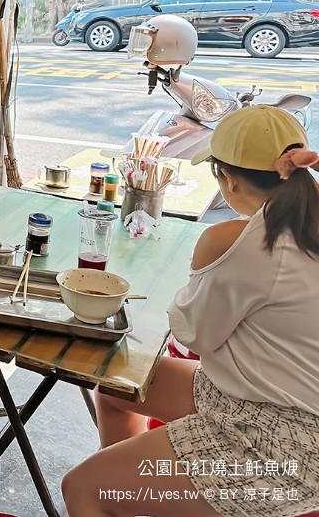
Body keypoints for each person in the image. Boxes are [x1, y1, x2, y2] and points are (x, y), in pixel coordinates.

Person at [62, 105, 319, 516]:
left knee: (83, 489)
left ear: (228, 179)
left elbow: (195, 334)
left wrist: (200, 269)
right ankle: (141, 501)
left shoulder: (244, 241)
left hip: (282, 442)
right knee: (115, 387)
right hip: (256, 396)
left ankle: (117, 499)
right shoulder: (304, 219)